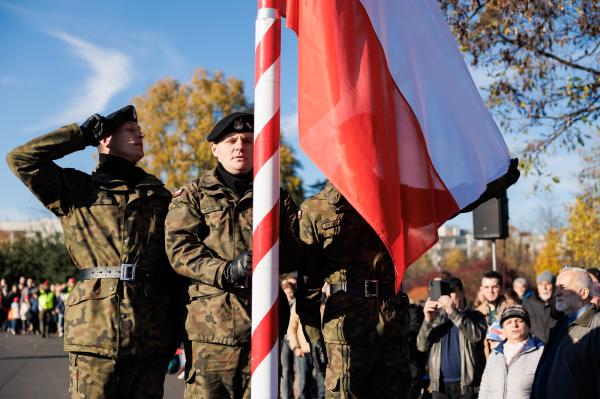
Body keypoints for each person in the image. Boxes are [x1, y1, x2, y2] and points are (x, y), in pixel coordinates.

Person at [7, 105, 183, 398]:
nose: (140, 134)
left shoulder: (159, 197)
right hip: (94, 331)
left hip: (150, 332)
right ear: (105, 139)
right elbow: (21, 159)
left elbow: (173, 265)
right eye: (130, 130)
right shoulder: (76, 189)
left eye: (139, 130)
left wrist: (175, 329)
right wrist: (81, 134)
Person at [164, 112, 301, 399]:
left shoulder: (275, 196)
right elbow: (179, 248)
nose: (240, 146)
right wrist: (225, 270)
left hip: (262, 328)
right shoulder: (194, 195)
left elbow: (297, 251)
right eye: (232, 140)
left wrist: (276, 255)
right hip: (211, 335)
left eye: (248, 140)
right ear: (215, 148)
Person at [299, 181, 411, 398]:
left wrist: (493, 178)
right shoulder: (316, 208)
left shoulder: (395, 200)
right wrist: (314, 338)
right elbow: (308, 285)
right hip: (345, 331)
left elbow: (442, 199)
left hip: (392, 324)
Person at [532, 267, 600, 399]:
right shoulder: (560, 325)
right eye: (556, 287)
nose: (556, 293)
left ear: (584, 293)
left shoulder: (596, 328)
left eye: (563, 287)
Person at [416, 275, 487, 399]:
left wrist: (453, 312)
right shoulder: (436, 319)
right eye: (445, 292)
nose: (448, 296)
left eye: (452, 291)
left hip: (467, 386)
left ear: (462, 293)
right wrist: (427, 320)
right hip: (440, 387)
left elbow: (476, 336)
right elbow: (421, 346)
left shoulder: (476, 316)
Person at [478, 305, 544, 399]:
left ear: (529, 326)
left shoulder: (540, 353)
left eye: (519, 321)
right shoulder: (495, 355)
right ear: (503, 329)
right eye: (509, 322)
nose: (514, 325)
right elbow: (485, 389)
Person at [522, 270, 563, 343]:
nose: (544, 288)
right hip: (535, 348)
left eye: (548, 284)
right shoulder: (527, 304)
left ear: (554, 286)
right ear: (537, 286)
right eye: (540, 284)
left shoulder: (561, 303)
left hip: (557, 347)